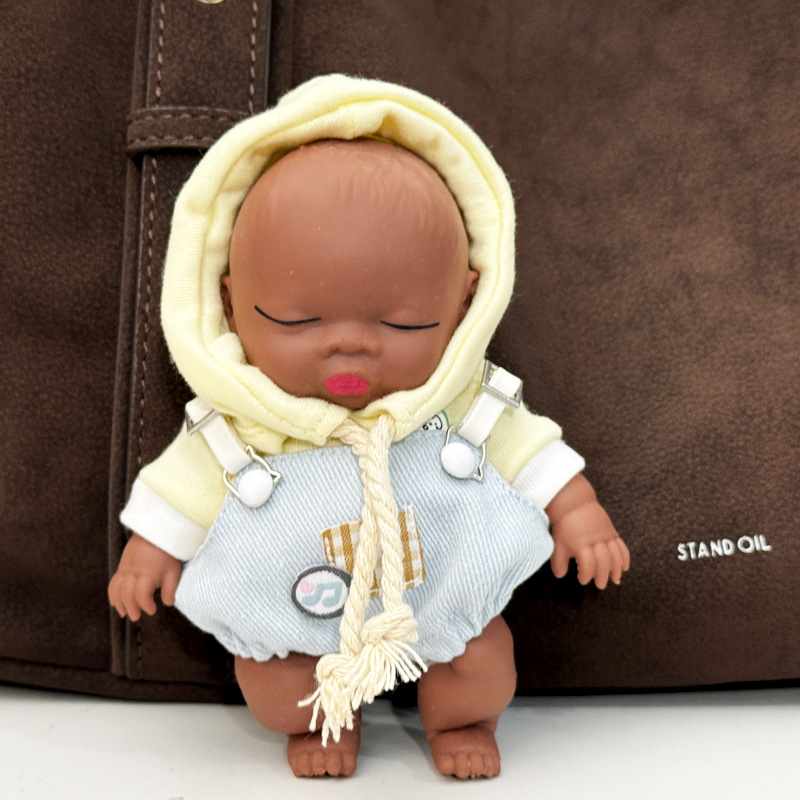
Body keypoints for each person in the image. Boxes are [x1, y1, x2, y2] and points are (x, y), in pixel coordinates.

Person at [109, 76, 629, 780]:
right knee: (276, 688)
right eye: (297, 320)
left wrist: (579, 513)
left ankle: (463, 721)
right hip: (296, 619)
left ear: (466, 301)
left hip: (440, 603)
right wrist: (148, 554)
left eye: (402, 323)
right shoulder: (242, 423)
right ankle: (321, 722)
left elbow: (530, 448)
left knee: (481, 664)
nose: (349, 345)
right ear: (229, 304)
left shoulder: (459, 403)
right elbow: (182, 488)